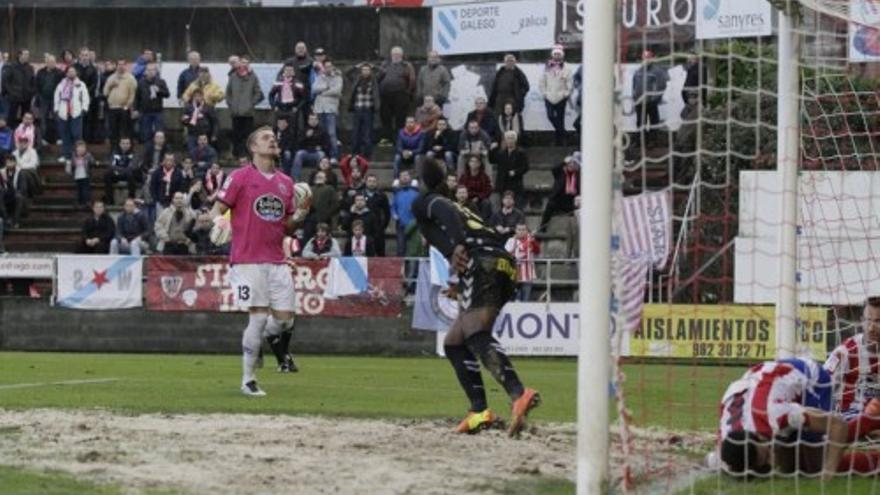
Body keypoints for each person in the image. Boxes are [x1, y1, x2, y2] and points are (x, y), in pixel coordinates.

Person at [412, 157, 540, 436]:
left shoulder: (427, 201)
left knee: (474, 332)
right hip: (504, 264)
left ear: (421, 181)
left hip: (484, 262)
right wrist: (461, 272)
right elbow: (454, 232)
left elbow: (445, 218)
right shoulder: (460, 206)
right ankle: (479, 410)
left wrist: (458, 246)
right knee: (455, 342)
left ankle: (518, 392)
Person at [211, 126, 302, 394]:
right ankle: (248, 380)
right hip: (247, 260)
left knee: (285, 320)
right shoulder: (240, 177)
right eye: (265, 137)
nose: (272, 139)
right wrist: (219, 222)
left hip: (277, 260)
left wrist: (300, 216)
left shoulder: (286, 182)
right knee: (259, 317)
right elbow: (219, 207)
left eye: (273, 137)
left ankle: (260, 341)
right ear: (253, 148)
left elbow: (287, 226)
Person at [717, 357, 848, 478]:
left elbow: (838, 425)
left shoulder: (775, 415)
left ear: (760, 438)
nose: (770, 458)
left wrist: (828, 472)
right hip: (762, 380)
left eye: (767, 455)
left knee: (814, 466)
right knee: (788, 468)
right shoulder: (726, 443)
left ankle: (866, 456)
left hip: (810, 379)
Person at [824, 296, 880, 418]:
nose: (871, 328)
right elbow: (822, 383)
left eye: (878, 321)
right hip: (850, 416)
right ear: (861, 321)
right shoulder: (845, 351)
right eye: (868, 321)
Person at [226, 56, 264, 158]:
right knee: (236, 135)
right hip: (235, 113)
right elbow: (228, 93)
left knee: (247, 136)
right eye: (242, 62)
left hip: (248, 113)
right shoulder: (233, 76)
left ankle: (247, 155)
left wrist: (251, 104)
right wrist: (231, 104)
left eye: (246, 63)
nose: (244, 64)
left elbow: (258, 93)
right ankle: (236, 155)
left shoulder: (253, 77)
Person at [378, 46, 416, 146]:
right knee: (385, 117)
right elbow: (379, 77)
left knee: (400, 118)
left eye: (398, 54)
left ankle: (399, 139)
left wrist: (407, 92)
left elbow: (412, 80)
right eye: (394, 54)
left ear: (402, 55)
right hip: (386, 96)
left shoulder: (407, 65)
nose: (396, 56)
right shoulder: (385, 64)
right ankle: (387, 138)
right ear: (391, 55)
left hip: (401, 95)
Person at [54, 66, 90, 162]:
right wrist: (56, 109)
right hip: (63, 113)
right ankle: (67, 156)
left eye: (73, 71)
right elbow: (57, 97)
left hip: (76, 113)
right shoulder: (61, 85)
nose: (71, 73)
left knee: (77, 134)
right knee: (65, 135)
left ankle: (78, 155)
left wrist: (84, 109)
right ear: (66, 73)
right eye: (69, 72)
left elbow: (85, 97)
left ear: (76, 73)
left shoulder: (81, 84)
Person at [539, 45, 573, 146]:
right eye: (555, 54)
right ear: (552, 55)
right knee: (550, 116)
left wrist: (565, 94)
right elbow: (542, 81)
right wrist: (544, 93)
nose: (557, 56)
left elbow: (570, 83)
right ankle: (564, 133)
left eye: (559, 54)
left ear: (562, 55)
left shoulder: (567, 68)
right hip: (549, 97)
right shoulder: (547, 67)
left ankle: (559, 142)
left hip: (561, 98)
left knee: (560, 119)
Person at [539, 153, 581, 232]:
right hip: (558, 199)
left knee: (578, 210)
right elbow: (554, 169)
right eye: (570, 164)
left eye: (573, 164)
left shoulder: (578, 175)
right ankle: (543, 227)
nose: (571, 166)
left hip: (571, 200)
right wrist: (564, 162)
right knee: (550, 205)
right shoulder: (561, 173)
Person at [312, 59, 343, 160]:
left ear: (333, 67)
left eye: (330, 66)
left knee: (331, 133)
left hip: (330, 109)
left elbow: (337, 91)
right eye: (326, 67)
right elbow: (314, 88)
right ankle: (324, 155)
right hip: (319, 108)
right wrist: (326, 87)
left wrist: (323, 93)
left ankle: (334, 155)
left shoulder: (338, 77)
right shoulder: (320, 77)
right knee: (321, 132)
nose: (328, 68)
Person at [103, 59, 137, 149]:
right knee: (113, 132)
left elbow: (132, 94)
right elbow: (105, 93)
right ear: (116, 66)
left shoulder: (130, 78)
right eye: (119, 64)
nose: (121, 66)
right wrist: (110, 86)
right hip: (112, 108)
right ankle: (113, 150)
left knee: (124, 132)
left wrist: (127, 106)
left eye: (123, 64)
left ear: (125, 66)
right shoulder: (111, 78)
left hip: (124, 108)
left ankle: (124, 150)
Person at [632, 49, 668, 133]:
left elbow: (662, 85)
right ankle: (640, 141)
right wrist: (634, 97)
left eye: (648, 58)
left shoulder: (657, 71)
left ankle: (653, 141)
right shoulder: (638, 71)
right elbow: (634, 85)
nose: (646, 60)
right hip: (639, 102)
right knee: (640, 123)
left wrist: (654, 98)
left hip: (651, 102)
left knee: (654, 123)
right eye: (644, 58)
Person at [491, 130, 529, 209]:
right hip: (503, 183)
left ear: (515, 140)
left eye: (512, 138)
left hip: (515, 183)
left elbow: (525, 167)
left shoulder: (521, 153)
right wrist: (492, 150)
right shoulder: (501, 153)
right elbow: (492, 160)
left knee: (517, 206)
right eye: (508, 138)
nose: (510, 140)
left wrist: (515, 172)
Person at [349, 63, 379, 159]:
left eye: (367, 70)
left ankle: (367, 154)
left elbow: (383, 72)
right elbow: (347, 73)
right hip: (357, 108)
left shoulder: (373, 80)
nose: (365, 71)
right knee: (356, 132)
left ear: (370, 71)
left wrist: (374, 66)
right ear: (361, 71)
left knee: (367, 133)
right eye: (364, 70)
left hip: (368, 109)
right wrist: (356, 66)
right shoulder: (357, 79)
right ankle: (355, 152)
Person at [134, 62, 169, 144]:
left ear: (156, 71)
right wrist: (136, 109)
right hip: (145, 112)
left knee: (159, 133)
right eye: (148, 70)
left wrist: (159, 91)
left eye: (152, 70)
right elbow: (137, 97)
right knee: (146, 133)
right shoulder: (141, 82)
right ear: (145, 71)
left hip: (157, 112)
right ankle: (148, 150)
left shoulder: (161, 81)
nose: (150, 72)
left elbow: (167, 94)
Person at [505, 223, 540, 302]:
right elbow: (519, 253)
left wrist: (533, 241)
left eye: (523, 230)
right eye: (519, 230)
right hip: (514, 276)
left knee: (525, 301)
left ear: (527, 231)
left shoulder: (531, 240)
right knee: (513, 301)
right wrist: (528, 240)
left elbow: (537, 251)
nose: (521, 232)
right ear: (515, 231)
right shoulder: (510, 241)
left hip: (527, 276)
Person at [35, 54, 64, 146]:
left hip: (56, 100)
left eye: (53, 62)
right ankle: (44, 138)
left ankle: (59, 137)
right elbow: (36, 85)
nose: (51, 63)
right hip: (43, 99)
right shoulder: (40, 72)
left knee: (57, 119)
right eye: (49, 62)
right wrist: (38, 96)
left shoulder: (60, 73)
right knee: (43, 119)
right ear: (46, 62)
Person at [2, 49, 35, 129]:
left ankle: (25, 134)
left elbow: (33, 81)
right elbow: (6, 81)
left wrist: (31, 91)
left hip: (26, 97)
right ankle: (10, 134)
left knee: (26, 116)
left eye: (28, 55)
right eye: (25, 54)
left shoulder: (30, 68)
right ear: (20, 55)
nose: (27, 56)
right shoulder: (11, 67)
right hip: (14, 97)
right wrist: (11, 92)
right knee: (11, 116)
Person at [269, 63, 306, 129]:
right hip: (280, 109)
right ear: (284, 71)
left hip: (292, 110)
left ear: (293, 72)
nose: (288, 72)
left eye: (290, 70)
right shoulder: (278, 82)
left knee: (292, 130)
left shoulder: (298, 83)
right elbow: (271, 95)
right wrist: (274, 106)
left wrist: (297, 107)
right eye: (287, 70)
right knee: (277, 129)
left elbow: (303, 98)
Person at [292, 113, 328, 180]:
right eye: (311, 119)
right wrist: (306, 136)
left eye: (315, 119)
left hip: (316, 152)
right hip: (306, 152)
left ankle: (321, 178)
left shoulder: (322, 130)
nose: (313, 121)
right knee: (299, 154)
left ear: (318, 120)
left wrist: (321, 147)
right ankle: (295, 178)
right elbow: (298, 144)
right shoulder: (304, 129)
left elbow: (327, 144)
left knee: (321, 154)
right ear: (308, 121)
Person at [391, 170, 419, 257]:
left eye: (406, 175)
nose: (405, 177)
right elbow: (393, 207)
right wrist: (395, 216)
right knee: (401, 249)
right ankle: (401, 269)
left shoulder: (417, 193)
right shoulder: (396, 193)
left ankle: (413, 270)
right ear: (399, 179)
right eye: (402, 175)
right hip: (401, 225)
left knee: (414, 249)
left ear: (410, 178)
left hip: (414, 225)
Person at [181, 89, 219, 154]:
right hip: (192, 133)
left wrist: (214, 134)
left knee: (205, 153)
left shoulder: (208, 107)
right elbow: (184, 122)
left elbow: (215, 122)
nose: (197, 98)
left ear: (202, 97)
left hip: (205, 134)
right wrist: (187, 119)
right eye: (195, 96)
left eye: (199, 96)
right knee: (192, 152)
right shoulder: (189, 107)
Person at [150, 154, 186, 218]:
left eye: (171, 160)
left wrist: (177, 198)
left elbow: (181, 187)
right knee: (161, 219)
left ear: (174, 162)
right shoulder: (157, 172)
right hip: (160, 201)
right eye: (167, 160)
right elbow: (152, 186)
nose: (169, 162)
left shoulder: (178, 173)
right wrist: (156, 198)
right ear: (163, 161)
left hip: (174, 201)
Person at [458, 154, 493, 220]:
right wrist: (470, 196)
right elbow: (461, 188)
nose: (474, 163)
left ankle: (483, 221)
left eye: (476, 162)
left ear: (479, 164)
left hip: (481, 199)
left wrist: (478, 197)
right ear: (468, 163)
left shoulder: (484, 176)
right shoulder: (464, 176)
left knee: (487, 203)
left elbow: (488, 189)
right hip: (467, 198)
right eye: (472, 161)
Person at [363, 173, 390, 257]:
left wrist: (382, 226)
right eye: (370, 181)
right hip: (364, 228)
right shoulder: (360, 195)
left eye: (374, 181)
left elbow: (387, 213)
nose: (371, 183)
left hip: (378, 229)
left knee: (380, 253)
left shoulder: (382, 196)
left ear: (377, 183)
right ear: (366, 182)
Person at [67, 140, 95, 208]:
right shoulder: (73, 156)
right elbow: (71, 165)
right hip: (77, 176)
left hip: (85, 175)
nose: (81, 150)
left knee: (85, 190)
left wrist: (92, 162)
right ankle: (77, 201)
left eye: (83, 148)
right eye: (79, 148)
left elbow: (92, 161)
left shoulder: (88, 155)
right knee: (78, 190)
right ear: (76, 149)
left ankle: (87, 201)